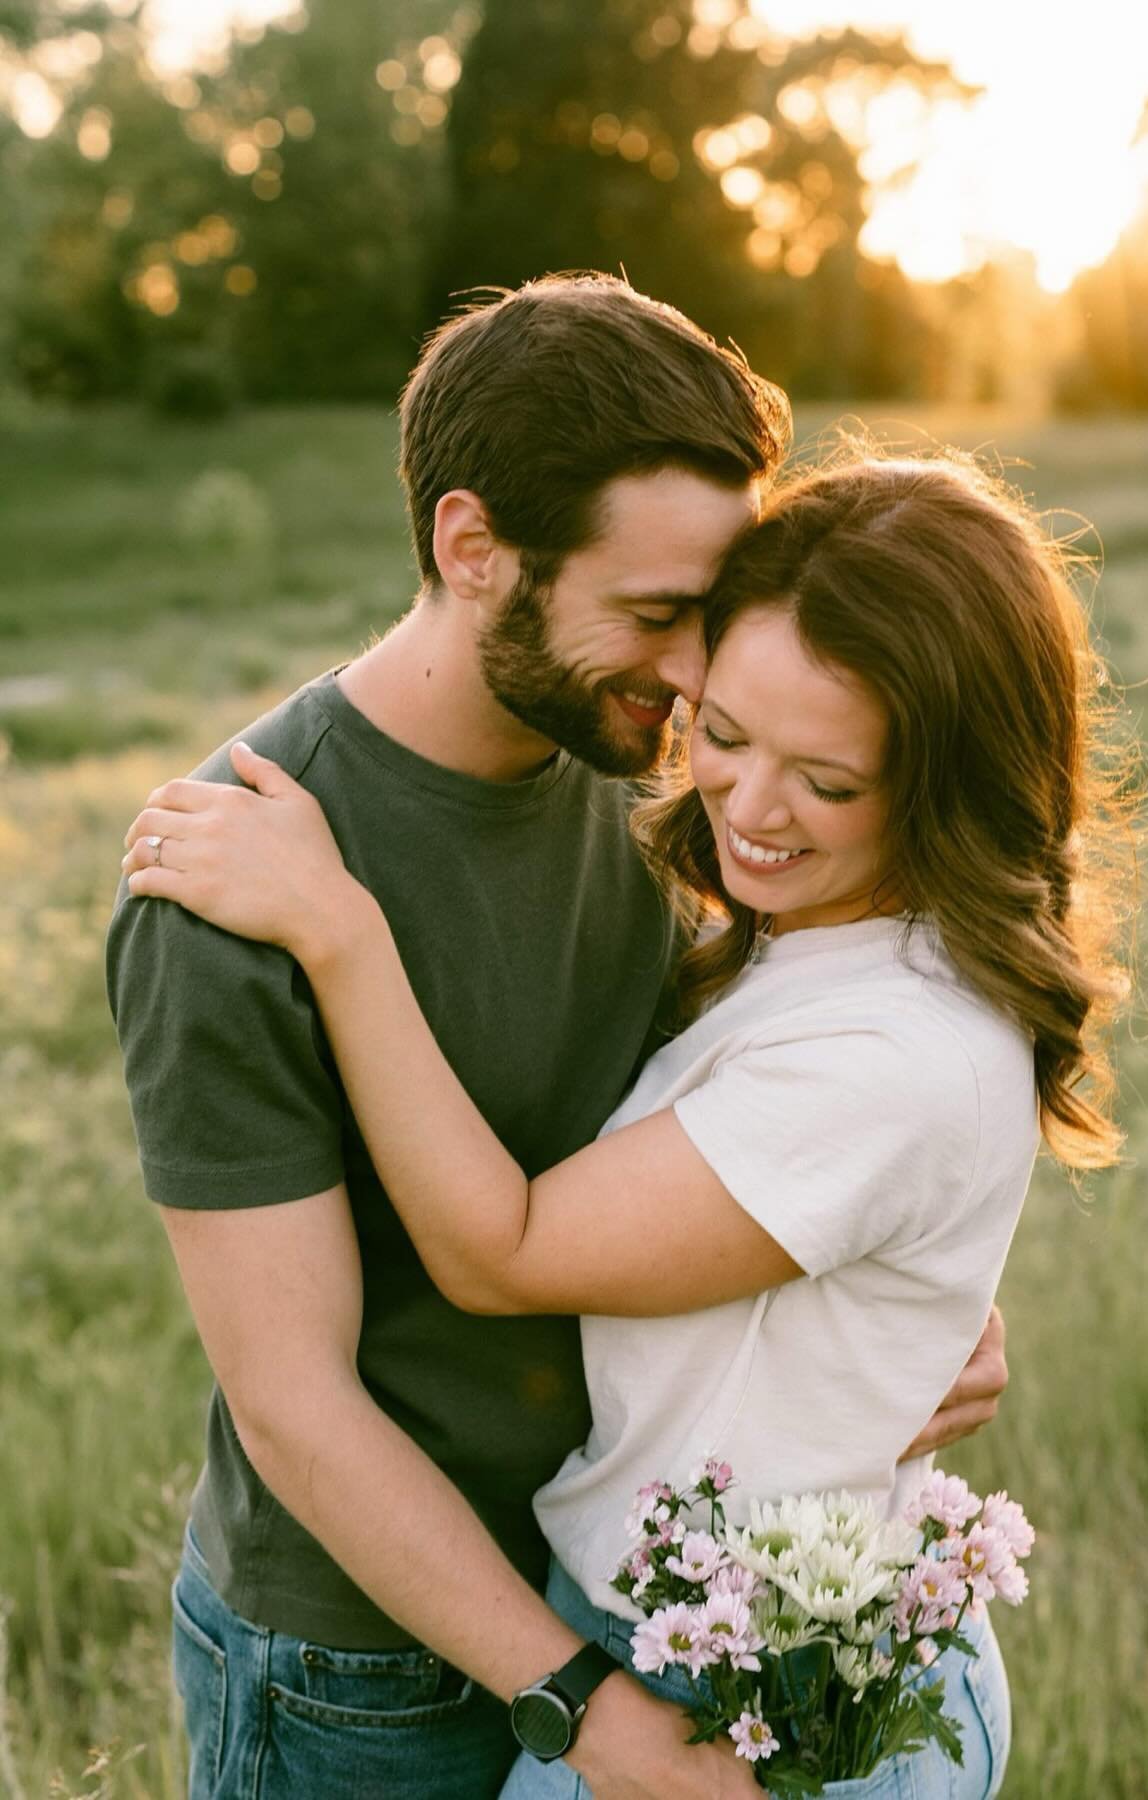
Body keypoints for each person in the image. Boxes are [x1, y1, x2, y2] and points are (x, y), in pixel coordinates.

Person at [106, 276, 1010, 1800]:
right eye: (656, 617)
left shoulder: (678, 788)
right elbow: (294, 1401)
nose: (694, 682)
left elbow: (788, 1121)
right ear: (474, 550)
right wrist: (578, 1706)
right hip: (366, 1671)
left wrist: (883, 1329)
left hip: (631, 1606)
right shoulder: (235, 884)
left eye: (707, 624)